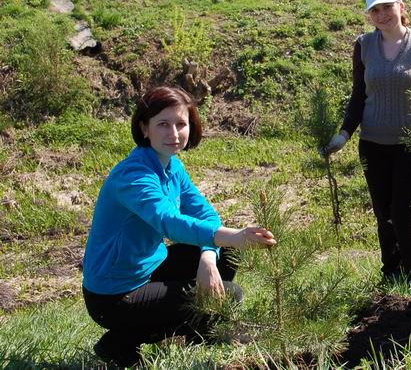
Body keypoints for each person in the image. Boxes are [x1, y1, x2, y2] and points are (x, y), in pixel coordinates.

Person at [82, 86, 277, 367]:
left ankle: (200, 331)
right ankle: (119, 343)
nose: (173, 134)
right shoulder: (133, 175)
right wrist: (233, 236)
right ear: (144, 128)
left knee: (224, 255)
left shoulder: (172, 167)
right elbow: (169, 222)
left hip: (149, 270)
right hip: (114, 294)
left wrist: (208, 257)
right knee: (230, 293)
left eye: (181, 124)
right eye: (163, 124)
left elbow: (205, 214)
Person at [324, 0, 411, 294]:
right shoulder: (363, 46)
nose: (382, 14)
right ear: (369, 15)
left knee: (403, 212)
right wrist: (344, 134)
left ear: (401, 7)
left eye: (387, 6)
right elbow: (359, 95)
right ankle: (390, 276)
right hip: (373, 145)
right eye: (375, 9)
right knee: (383, 214)